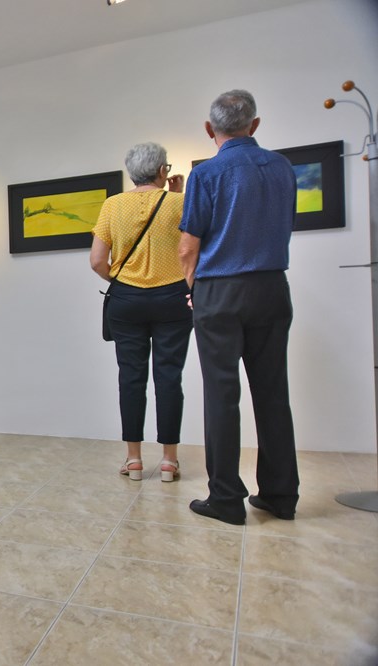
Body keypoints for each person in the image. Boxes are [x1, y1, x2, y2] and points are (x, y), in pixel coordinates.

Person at [179, 89, 299, 526]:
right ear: (255, 124)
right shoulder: (283, 167)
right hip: (271, 287)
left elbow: (188, 247)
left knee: (222, 394)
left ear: (209, 129)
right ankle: (281, 496)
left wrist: (193, 290)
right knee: (273, 393)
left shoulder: (207, 173)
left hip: (220, 291)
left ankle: (226, 499)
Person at [91, 143, 191, 483]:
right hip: (173, 298)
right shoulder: (180, 202)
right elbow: (190, 249)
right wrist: (176, 195)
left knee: (131, 378)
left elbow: (97, 261)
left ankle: (133, 459)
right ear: (163, 170)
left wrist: (119, 280)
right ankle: (168, 462)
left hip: (127, 300)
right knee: (169, 377)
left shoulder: (113, 205)